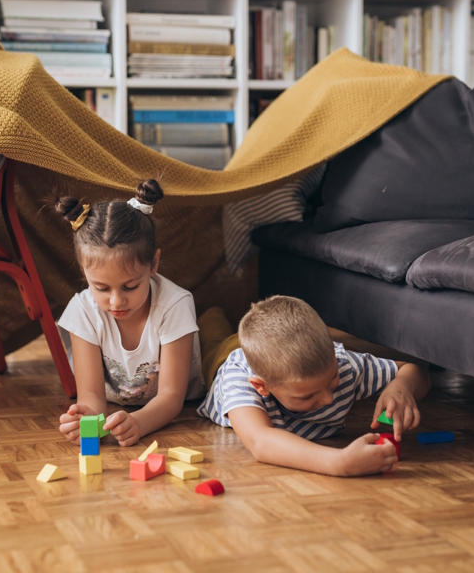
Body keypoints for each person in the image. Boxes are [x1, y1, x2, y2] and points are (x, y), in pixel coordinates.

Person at [197, 296, 431, 477]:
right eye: (307, 396)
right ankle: (211, 316)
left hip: (277, 351)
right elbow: (261, 442)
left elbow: (414, 370)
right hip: (224, 357)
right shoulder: (238, 380)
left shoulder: (345, 365)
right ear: (262, 387)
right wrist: (339, 462)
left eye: (332, 381)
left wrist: (401, 388)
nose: (329, 399)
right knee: (213, 341)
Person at [54, 180, 205, 447]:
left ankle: (213, 321)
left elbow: (171, 396)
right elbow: (90, 395)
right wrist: (88, 419)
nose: (116, 301)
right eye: (100, 287)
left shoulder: (175, 304)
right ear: (83, 272)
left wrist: (139, 423)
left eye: (131, 286)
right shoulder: (83, 309)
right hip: (118, 402)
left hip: (176, 403)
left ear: (154, 263)